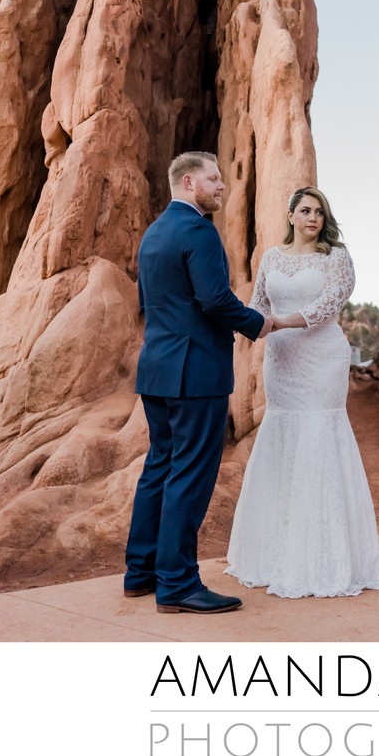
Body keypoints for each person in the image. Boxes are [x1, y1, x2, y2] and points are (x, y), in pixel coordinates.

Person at [123, 151, 272, 614]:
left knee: (159, 469)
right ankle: (178, 584)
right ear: (189, 182)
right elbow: (214, 299)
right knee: (189, 475)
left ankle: (140, 573)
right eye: (214, 178)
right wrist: (259, 323)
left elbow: (151, 301)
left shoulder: (154, 234)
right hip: (197, 374)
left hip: (157, 370)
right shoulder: (199, 231)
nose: (222, 185)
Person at [226, 186, 379, 598]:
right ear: (291, 215)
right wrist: (254, 323)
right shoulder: (271, 258)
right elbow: (259, 303)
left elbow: (328, 306)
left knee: (319, 436)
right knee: (283, 438)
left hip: (321, 359)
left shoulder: (337, 257)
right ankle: (276, 555)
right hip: (281, 362)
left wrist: (279, 324)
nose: (312, 218)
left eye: (319, 211)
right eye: (304, 210)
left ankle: (325, 557)